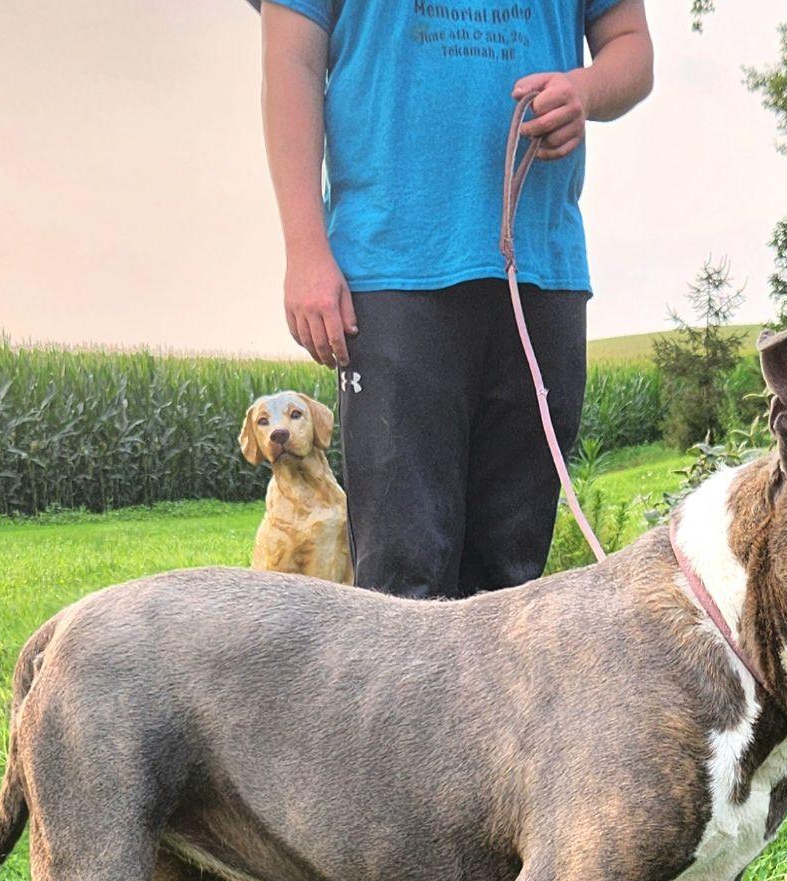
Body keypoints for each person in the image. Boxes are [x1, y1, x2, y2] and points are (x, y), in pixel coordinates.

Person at [256, 0, 653, 598]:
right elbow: (292, 60)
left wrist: (585, 89)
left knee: (512, 579)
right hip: (391, 272)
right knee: (402, 580)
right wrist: (306, 247)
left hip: (538, 269)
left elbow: (631, 44)